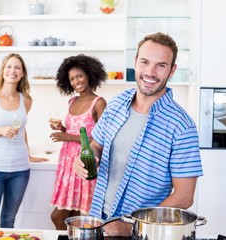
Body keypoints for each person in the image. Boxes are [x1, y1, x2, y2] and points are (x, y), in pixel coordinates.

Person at [73, 32, 203, 236]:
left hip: (143, 232)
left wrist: (133, 226)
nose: (150, 72)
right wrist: (86, 159)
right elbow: (96, 144)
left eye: (161, 65)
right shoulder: (116, 103)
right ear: (135, 62)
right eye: (145, 62)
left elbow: (185, 197)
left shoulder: (182, 126)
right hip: (99, 219)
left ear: (172, 70)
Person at [0, 53, 48, 228]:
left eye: (17, 67)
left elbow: (21, 129)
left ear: (22, 74)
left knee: (8, 221)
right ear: (2, 71)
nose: (12, 71)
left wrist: (29, 155)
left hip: (21, 170)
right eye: (9, 66)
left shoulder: (26, 101)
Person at [49, 54, 107, 230]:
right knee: (71, 215)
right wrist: (62, 129)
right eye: (72, 79)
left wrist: (67, 137)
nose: (76, 81)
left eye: (79, 76)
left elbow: (101, 138)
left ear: (89, 75)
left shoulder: (99, 103)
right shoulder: (72, 101)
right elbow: (76, 132)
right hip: (67, 164)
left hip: (85, 162)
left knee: (62, 216)